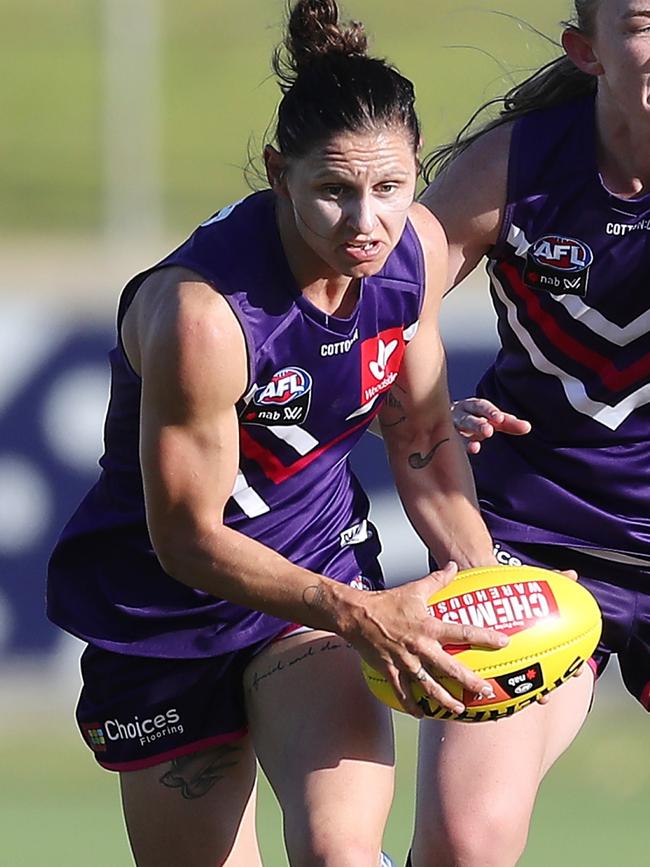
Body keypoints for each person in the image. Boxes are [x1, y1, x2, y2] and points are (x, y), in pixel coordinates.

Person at [46, 2, 507, 865]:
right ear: (278, 173)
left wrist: (486, 580)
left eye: (390, 187)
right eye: (334, 189)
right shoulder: (204, 316)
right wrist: (362, 611)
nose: (366, 221)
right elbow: (186, 539)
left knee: (340, 850)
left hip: (313, 577)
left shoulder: (414, 254)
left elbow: (421, 433)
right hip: (164, 607)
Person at [409, 1, 650, 865]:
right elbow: (385, 304)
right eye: (646, 21)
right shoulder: (519, 163)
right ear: (587, 51)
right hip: (532, 540)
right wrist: (420, 409)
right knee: (464, 843)